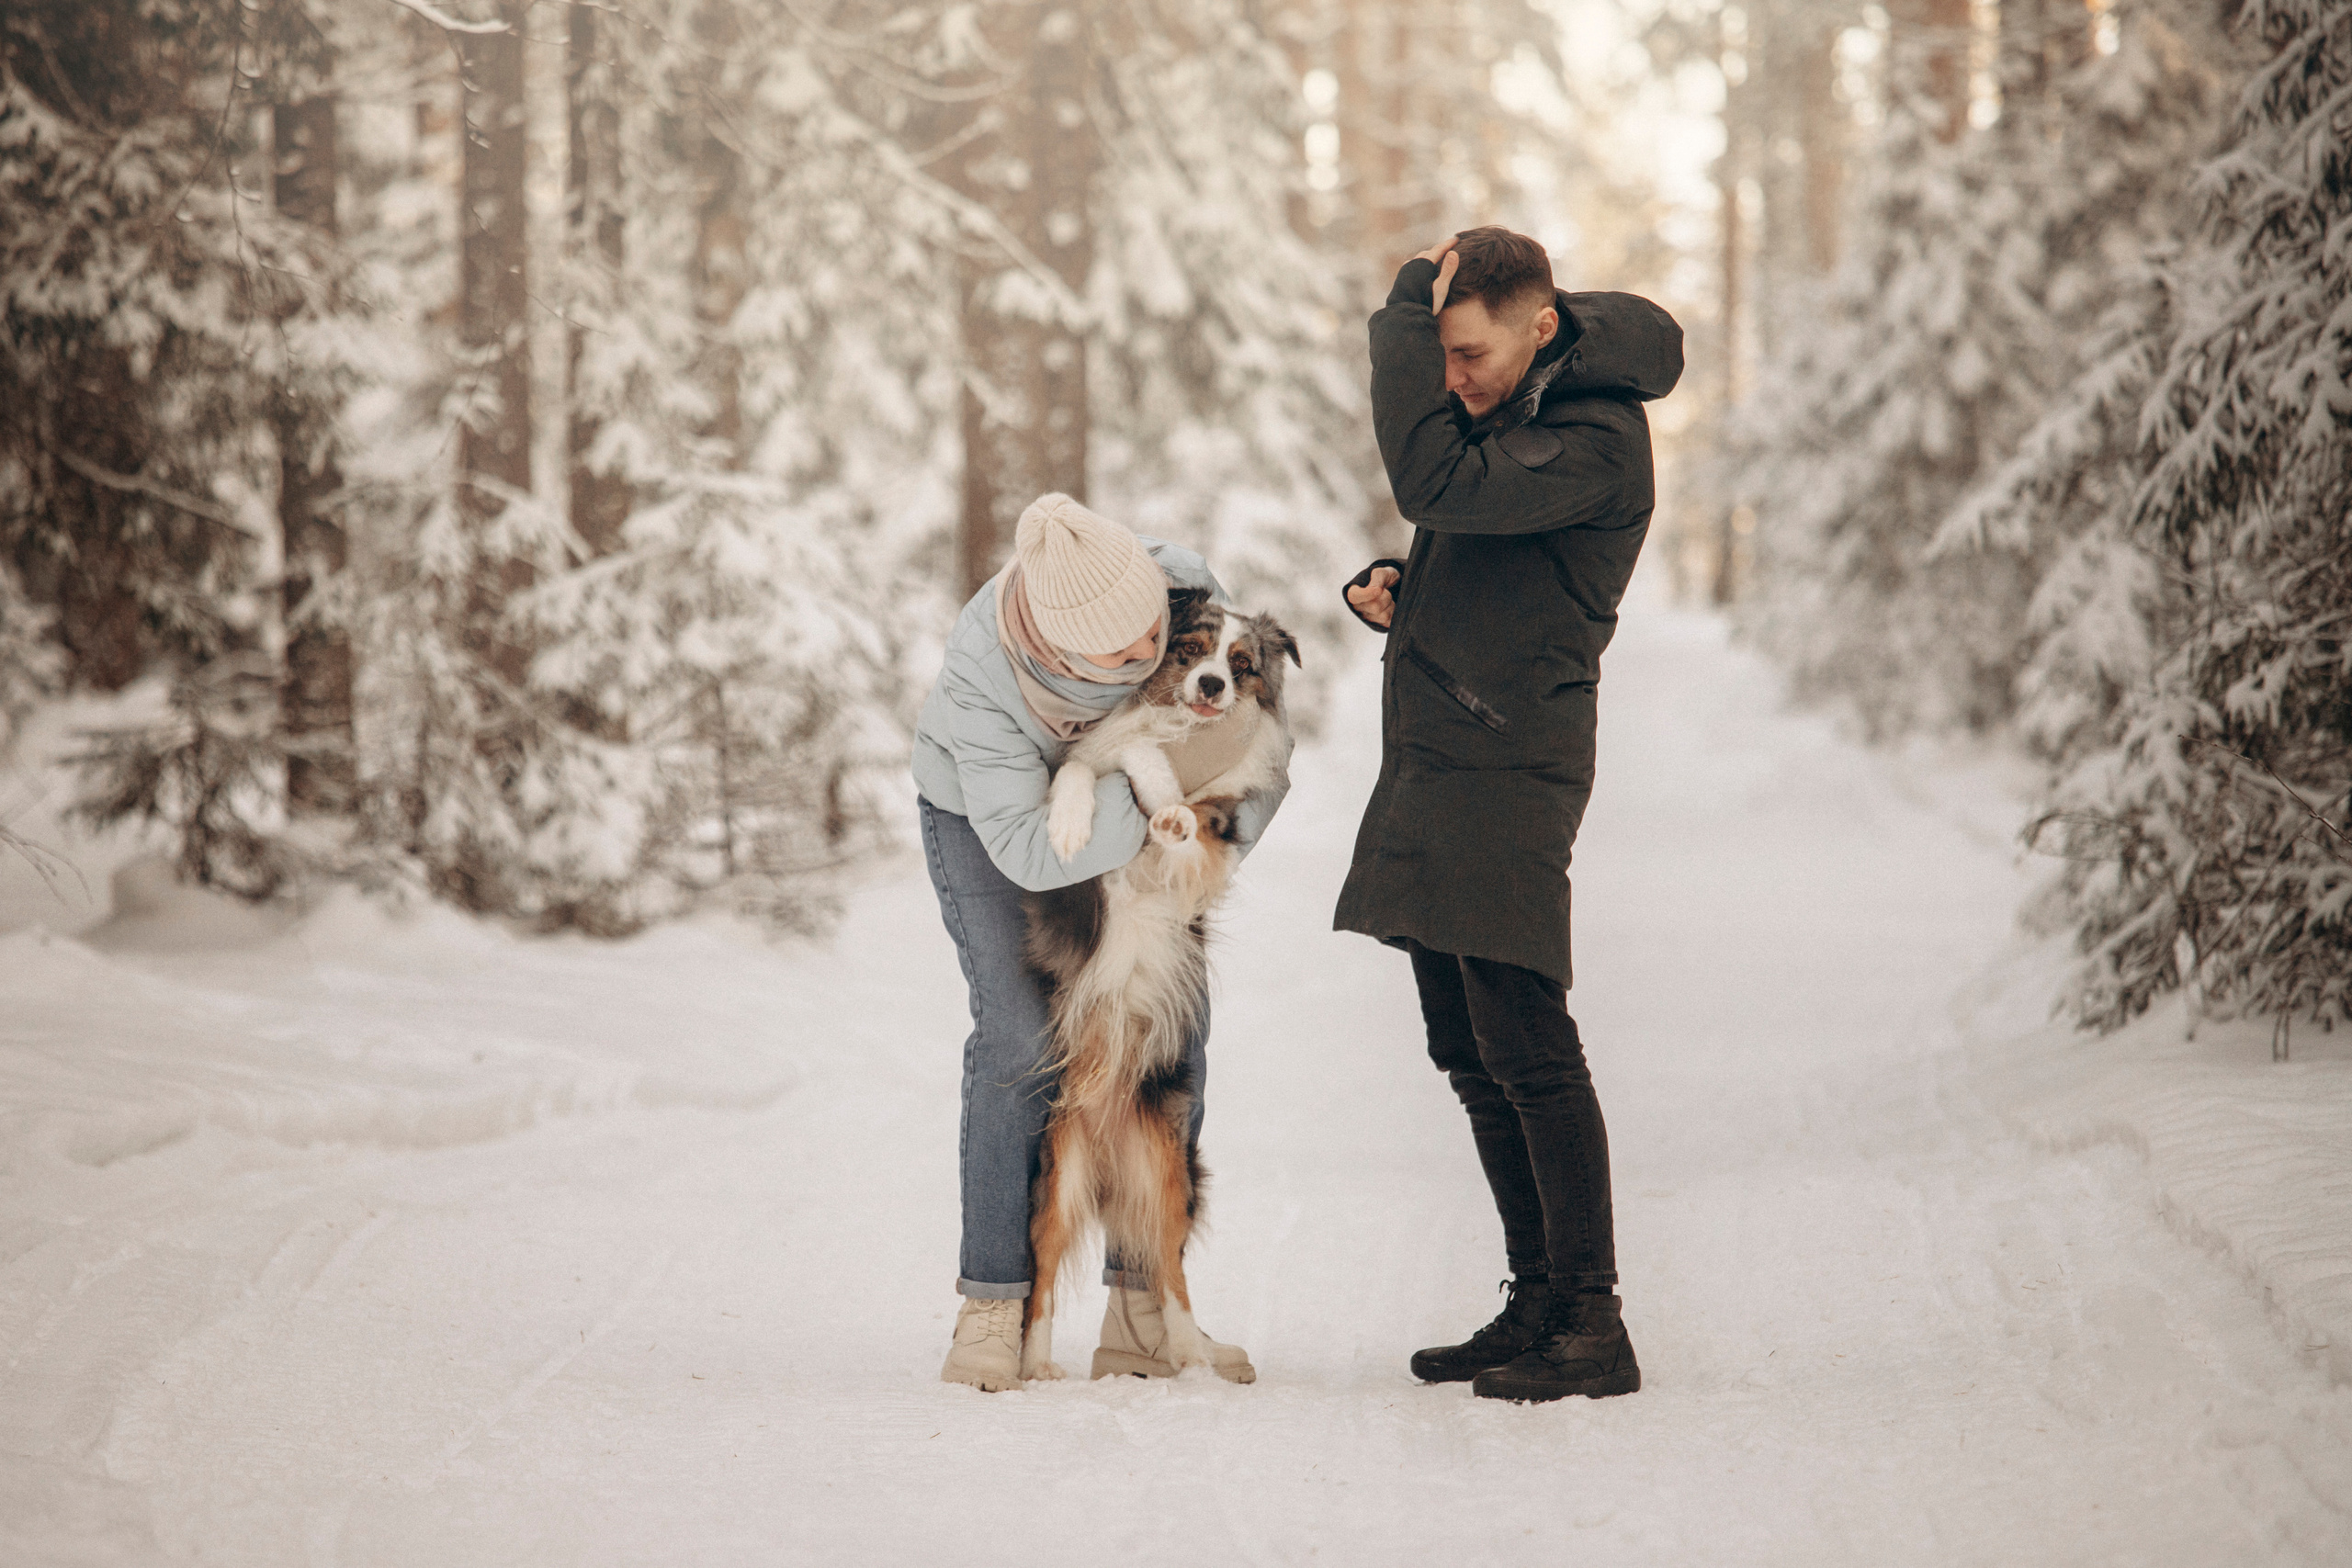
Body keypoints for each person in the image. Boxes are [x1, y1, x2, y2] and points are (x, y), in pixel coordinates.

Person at [1336, 226, 1681, 1402]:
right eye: (1435, 350)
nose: (1449, 377)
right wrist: (1409, 589)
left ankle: (1594, 1321)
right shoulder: (1523, 403)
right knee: (1467, 1047)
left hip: (1509, 759)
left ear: (1540, 325)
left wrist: (1395, 309)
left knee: (1528, 1046)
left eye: (1464, 353)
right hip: (1449, 749)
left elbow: (1437, 483)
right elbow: (1480, 537)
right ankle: (1536, 1299)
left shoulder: (1597, 436)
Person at [913, 492, 1290, 1392]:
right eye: (1115, 656)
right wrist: (1164, 798)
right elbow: (1038, 853)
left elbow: (1259, 744)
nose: (1141, 661)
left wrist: (1214, 829)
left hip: (1144, 809)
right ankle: (996, 1307)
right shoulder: (985, 678)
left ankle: (1143, 1309)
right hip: (993, 823)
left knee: (1173, 1033)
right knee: (1018, 1034)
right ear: (1054, 641)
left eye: (1149, 641)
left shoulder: (1185, 591)